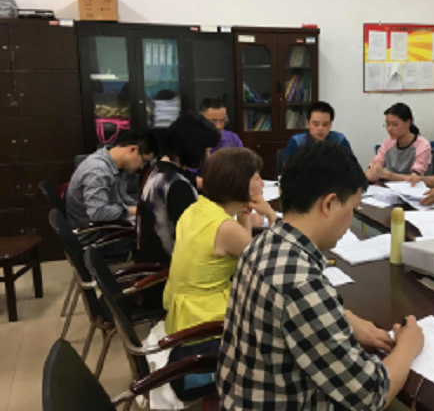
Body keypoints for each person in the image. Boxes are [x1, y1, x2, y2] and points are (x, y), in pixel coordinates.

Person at [217, 141, 425, 410]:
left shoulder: (262, 243)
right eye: (351, 210)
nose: (349, 221)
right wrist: (408, 345)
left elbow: (288, 311)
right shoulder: (302, 285)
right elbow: (371, 394)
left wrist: (345, 318)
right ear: (329, 204)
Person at [163, 147, 277, 337]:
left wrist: (242, 213)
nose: (263, 184)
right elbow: (272, 266)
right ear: (240, 184)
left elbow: (243, 248)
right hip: (207, 322)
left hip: (184, 313)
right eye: (257, 178)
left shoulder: (197, 208)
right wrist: (270, 214)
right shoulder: (226, 228)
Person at [136, 113, 220, 264]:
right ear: (193, 149)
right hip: (169, 267)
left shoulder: (157, 170)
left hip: (149, 258)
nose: (208, 156)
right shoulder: (178, 186)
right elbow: (196, 240)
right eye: (206, 150)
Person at [66, 130, 158, 257]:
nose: (142, 167)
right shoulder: (97, 170)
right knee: (157, 239)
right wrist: (135, 210)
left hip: (105, 227)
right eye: (144, 161)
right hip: (94, 237)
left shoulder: (116, 166)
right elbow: (98, 213)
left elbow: (123, 198)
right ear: (133, 150)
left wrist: (144, 206)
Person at [366, 103, 431, 182]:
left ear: (408, 123)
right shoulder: (388, 143)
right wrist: (372, 171)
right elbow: (375, 165)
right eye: (387, 124)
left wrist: (387, 175)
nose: (389, 128)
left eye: (394, 124)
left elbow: (415, 178)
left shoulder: (423, 145)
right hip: (390, 187)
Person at [284, 101, 352, 160]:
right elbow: (287, 168)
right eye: (316, 124)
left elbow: (352, 166)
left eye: (325, 124)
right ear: (308, 124)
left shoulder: (339, 140)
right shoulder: (297, 142)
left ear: (330, 125)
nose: (320, 128)